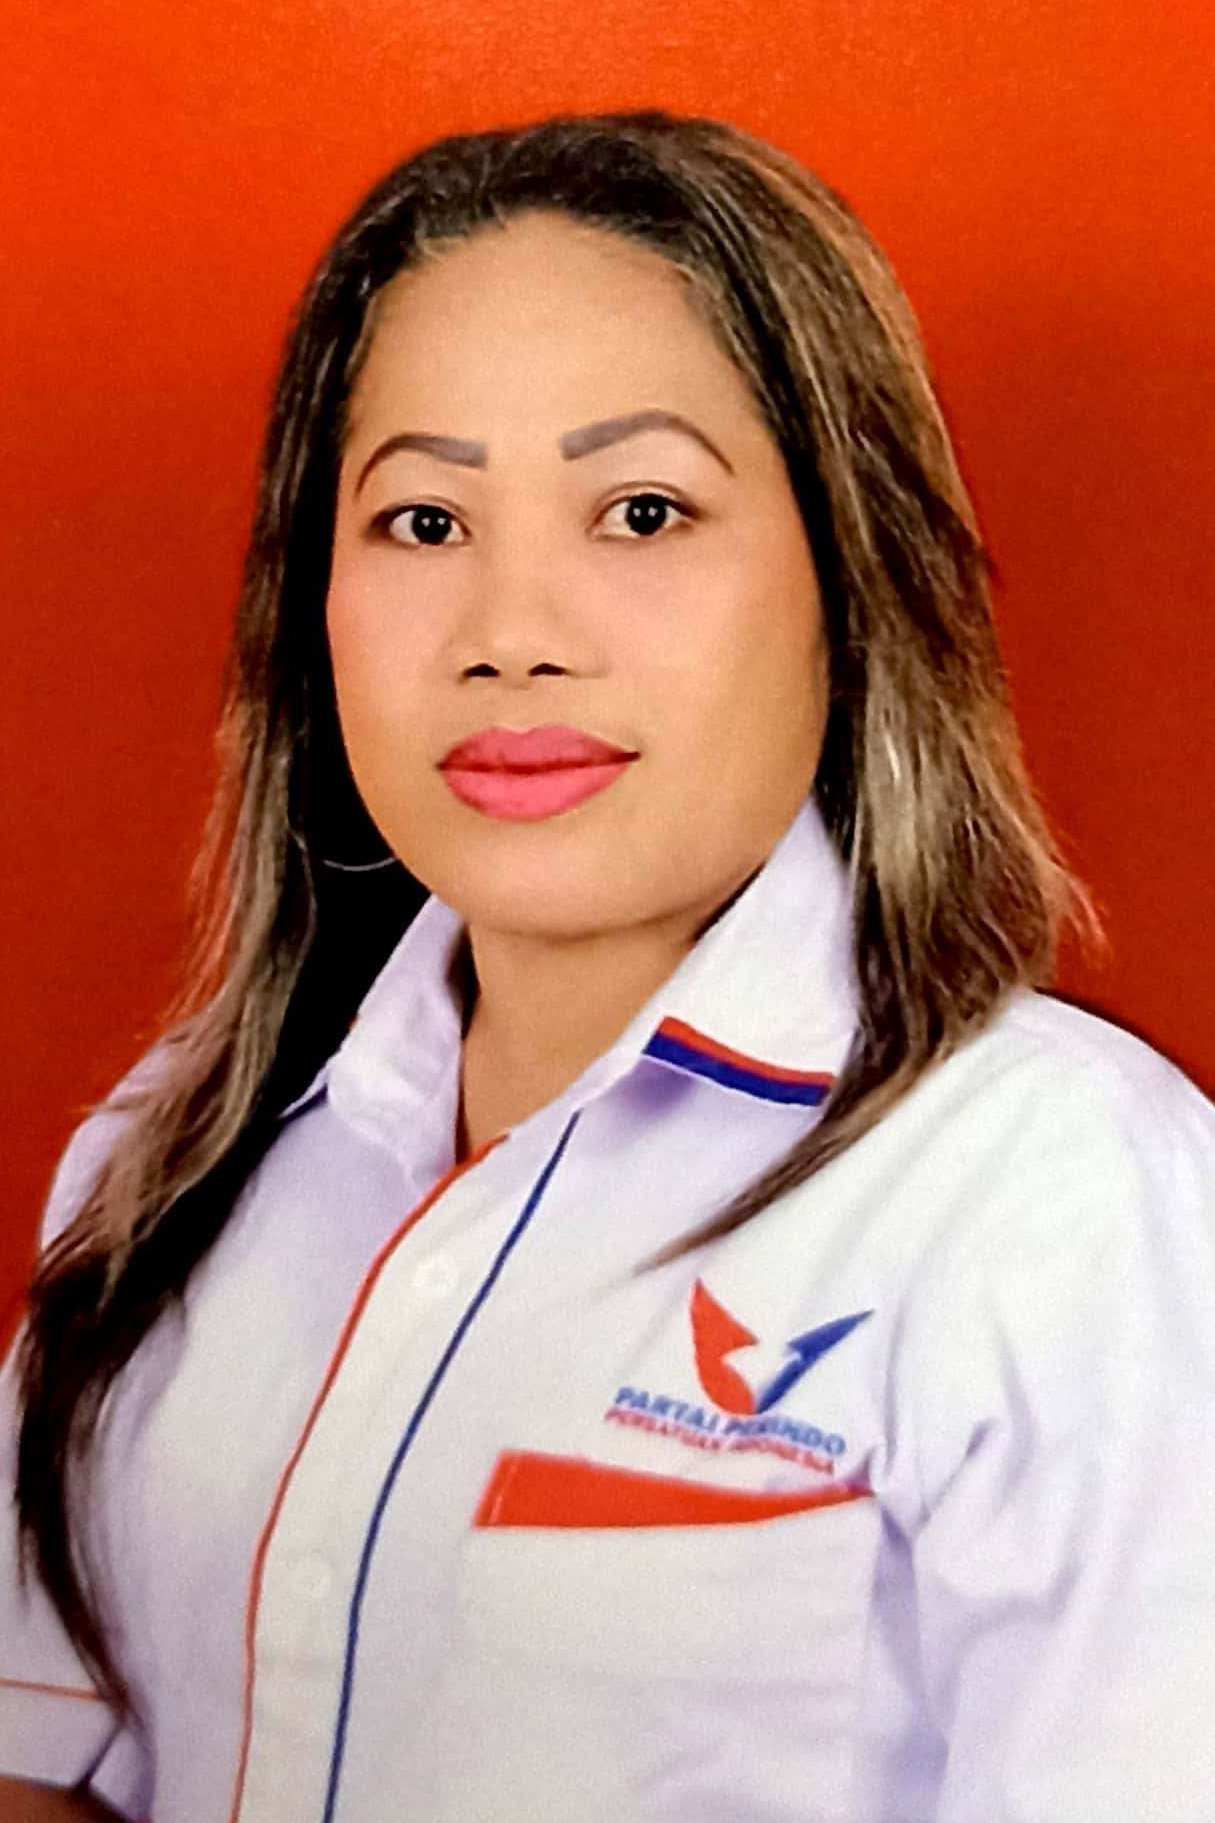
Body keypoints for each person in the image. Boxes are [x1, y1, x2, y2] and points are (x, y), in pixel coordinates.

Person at [2, 108, 1214, 1823]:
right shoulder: (171, 1160)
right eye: (423, 521)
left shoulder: (1062, 1196)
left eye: (642, 511)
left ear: (848, 579)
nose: (512, 635)